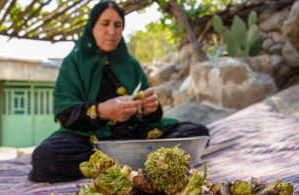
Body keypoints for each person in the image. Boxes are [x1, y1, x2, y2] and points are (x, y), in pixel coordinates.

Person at [28, 0, 209, 183]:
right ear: (92, 27)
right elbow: (64, 114)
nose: (112, 31)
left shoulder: (130, 64)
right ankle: (142, 163)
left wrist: (148, 109)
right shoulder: (73, 63)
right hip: (91, 141)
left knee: (197, 132)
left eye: (118, 25)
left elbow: (152, 115)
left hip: (133, 137)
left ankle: (115, 165)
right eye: (105, 24)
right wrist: (101, 111)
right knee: (45, 158)